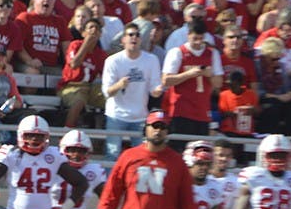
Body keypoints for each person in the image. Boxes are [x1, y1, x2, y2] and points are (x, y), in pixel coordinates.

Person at [100, 23, 163, 160]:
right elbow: (107, 92)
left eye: (137, 35)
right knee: (112, 154)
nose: (134, 38)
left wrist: (158, 90)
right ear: (123, 40)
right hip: (116, 115)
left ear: (141, 40)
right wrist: (119, 85)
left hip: (140, 116)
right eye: (130, 35)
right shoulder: (113, 61)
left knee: (141, 156)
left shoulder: (151, 60)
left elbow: (154, 89)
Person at [161, 19, 223, 139]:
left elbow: (218, 83)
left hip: (202, 111)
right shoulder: (177, 52)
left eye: (201, 38)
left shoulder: (212, 53)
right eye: (195, 38)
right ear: (188, 35)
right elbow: (166, 80)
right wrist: (188, 74)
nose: (198, 42)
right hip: (180, 111)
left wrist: (208, 74)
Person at [59, 17, 107, 128]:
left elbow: (105, 74)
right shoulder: (75, 45)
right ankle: (67, 129)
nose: (94, 30)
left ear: (100, 34)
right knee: (79, 101)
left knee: (110, 100)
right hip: (70, 86)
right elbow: (74, 64)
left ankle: (101, 135)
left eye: (97, 28)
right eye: (90, 28)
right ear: (83, 33)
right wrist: (86, 44)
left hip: (89, 87)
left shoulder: (101, 54)